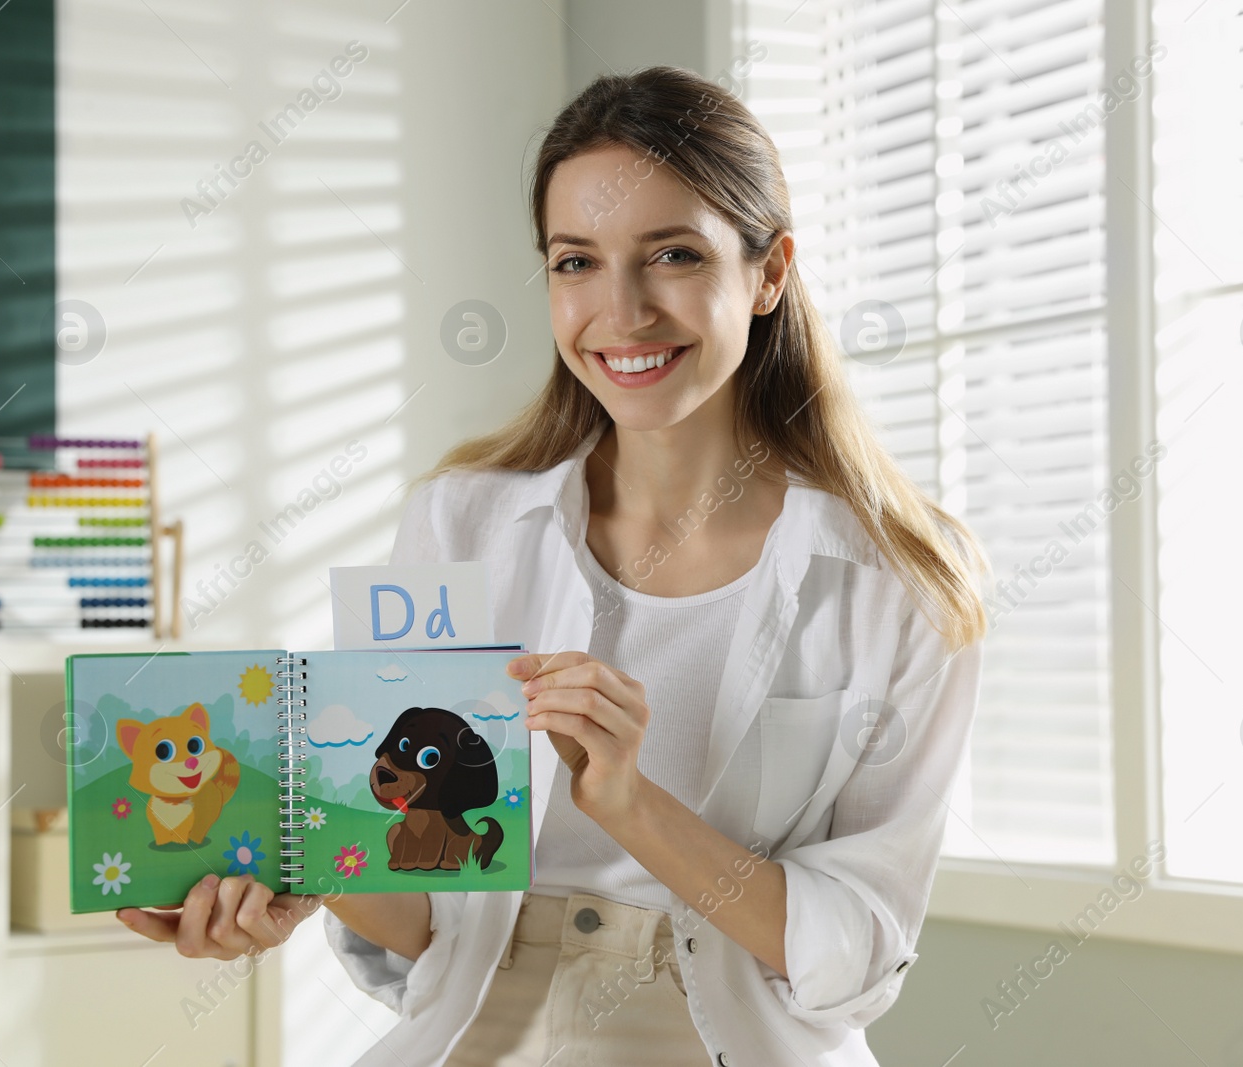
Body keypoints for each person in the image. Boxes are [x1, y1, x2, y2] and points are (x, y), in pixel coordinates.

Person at [116, 64, 990, 1067]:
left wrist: (632, 803)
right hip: (481, 1031)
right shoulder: (462, 523)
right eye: (575, 261)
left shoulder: (902, 581)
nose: (620, 312)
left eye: (671, 254)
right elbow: (427, 908)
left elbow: (861, 952)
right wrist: (295, 884)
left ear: (768, 272)